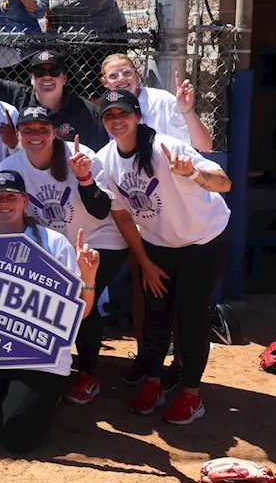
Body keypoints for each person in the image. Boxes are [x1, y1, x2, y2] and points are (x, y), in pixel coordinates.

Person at [94, 90, 232, 425]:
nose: (116, 121)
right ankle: (153, 383)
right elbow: (123, 216)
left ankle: (191, 393)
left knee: (190, 314)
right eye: (109, 115)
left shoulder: (166, 148)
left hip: (202, 239)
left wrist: (193, 174)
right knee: (155, 314)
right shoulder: (106, 159)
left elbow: (224, 183)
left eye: (123, 114)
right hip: (157, 244)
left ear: (137, 117)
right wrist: (144, 262)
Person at [0, 169, 100, 452]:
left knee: (17, 437)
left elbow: (81, 314)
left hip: (38, 357)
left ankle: (39, 398)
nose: (4, 204)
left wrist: (88, 278)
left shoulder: (52, 243)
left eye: (11, 197)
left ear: (24, 200)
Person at [0, 106, 128, 404]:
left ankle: (88, 373)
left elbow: (101, 210)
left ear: (55, 132)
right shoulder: (12, 165)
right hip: (54, 245)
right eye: (28, 129)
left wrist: (84, 178)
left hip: (99, 240)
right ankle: (44, 360)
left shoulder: (82, 156)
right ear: (18, 135)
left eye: (42, 129)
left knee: (82, 299)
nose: (35, 135)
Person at [0, 34, 108, 150]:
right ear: (32, 79)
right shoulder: (18, 97)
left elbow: (100, 153)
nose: (47, 77)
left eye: (54, 71)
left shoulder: (88, 111)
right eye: (39, 72)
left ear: (64, 77)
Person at [101, 54, 213, 152]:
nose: (121, 79)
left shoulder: (162, 100)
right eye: (113, 76)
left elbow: (204, 146)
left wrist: (187, 110)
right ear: (104, 82)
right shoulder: (105, 110)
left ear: (137, 75)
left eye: (127, 73)